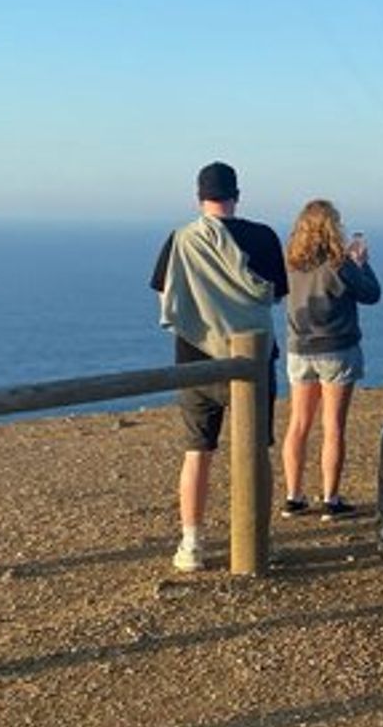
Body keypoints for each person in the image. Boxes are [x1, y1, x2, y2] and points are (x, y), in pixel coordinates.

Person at [150, 162, 287, 572]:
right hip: (252, 361)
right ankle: (257, 540)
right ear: (236, 195)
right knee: (256, 453)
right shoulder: (263, 237)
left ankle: (191, 544)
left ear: (199, 197)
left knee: (197, 453)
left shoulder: (181, 239)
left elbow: (165, 294)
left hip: (195, 360)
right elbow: (275, 294)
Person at [281, 200, 380, 520]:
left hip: (300, 348)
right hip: (337, 348)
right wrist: (363, 264)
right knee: (333, 426)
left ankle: (294, 496)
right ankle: (330, 499)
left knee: (298, 423)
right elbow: (372, 294)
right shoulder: (341, 264)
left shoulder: (290, 263)